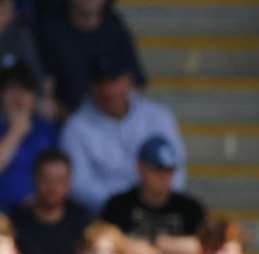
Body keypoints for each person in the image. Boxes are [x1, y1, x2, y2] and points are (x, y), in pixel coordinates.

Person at [60, 56, 185, 220]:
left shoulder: (158, 116)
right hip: (103, 219)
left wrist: (153, 203)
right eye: (101, 82)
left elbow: (176, 168)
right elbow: (79, 185)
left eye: (114, 80)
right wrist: (121, 208)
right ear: (91, 85)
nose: (108, 90)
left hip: (159, 210)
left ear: (129, 80)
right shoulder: (75, 126)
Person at [100, 135, 207, 254]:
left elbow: (204, 253)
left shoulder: (190, 209)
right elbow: (109, 251)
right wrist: (177, 253)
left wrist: (153, 245)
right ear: (140, 168)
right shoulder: (118, 206)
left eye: (170, 169)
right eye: (158, 169)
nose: (165, 176)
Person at [0, 63, 58, 214]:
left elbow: (57, 174)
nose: (18, 96)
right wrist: (16, 130)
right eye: (11, 88)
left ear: (34, 97)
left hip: (37, 210)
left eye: (25, 89)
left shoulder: (45, 129)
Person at [36, 0, 144, 114]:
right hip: (67, 122)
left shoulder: (115, 27)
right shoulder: (50, 29)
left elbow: (137, 87)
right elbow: (46, 96)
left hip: (112, 121)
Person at [11, 149, 93, 254]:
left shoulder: (83, 221)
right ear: (34, 179)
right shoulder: (15, 221)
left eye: (60, 180)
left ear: (69, 182)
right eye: (46, 179)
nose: (52, 186)